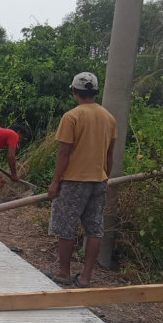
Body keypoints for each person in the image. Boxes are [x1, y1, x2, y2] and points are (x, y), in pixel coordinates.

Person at [45, 72, 116, 287]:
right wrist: (106, 179)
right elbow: (109, 154)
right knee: (94, 229)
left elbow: (64, 153)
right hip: (98, 181)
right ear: (94, 92)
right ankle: (85, 278)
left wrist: (55, 182)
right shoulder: (108, 117)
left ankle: (64, 274)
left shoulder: (72, 117)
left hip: (74, 181)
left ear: (74, 92)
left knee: (66, 227)